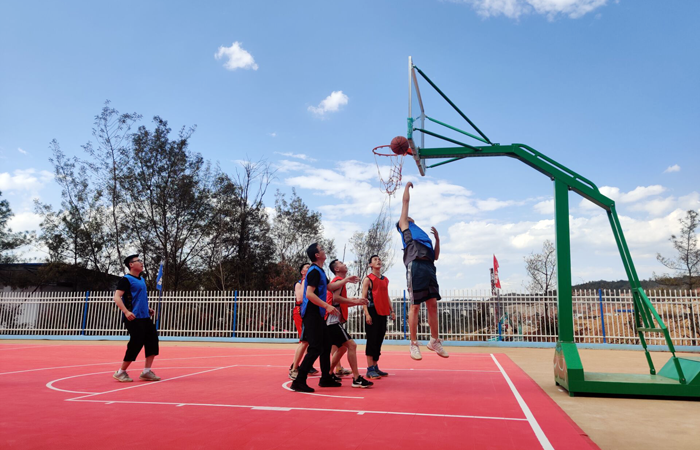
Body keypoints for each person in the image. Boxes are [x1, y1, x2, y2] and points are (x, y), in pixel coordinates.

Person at [290, 243, 358, 393]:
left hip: (318, 314)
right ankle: (299, 381)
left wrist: (346, 280)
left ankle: (325, 378)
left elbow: (330, 287)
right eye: (321, 249)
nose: (324, 250)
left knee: (326, 345)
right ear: (317, 255)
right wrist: (327, 306)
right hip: (311, 314)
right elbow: (309, 294)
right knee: (315, 348)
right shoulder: (314, 271)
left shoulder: (320, 271)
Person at [397, 182, 449, 360]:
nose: (409, 217)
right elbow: (405, 203)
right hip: (416, 265)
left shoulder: (422, 234)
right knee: (415, 305)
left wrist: (438, 240)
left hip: (429, 266)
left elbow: (435, 256)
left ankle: (434, 340)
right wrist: (406, 188)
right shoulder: (404, 225)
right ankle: (413, 343)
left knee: (432, 304)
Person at [112, 254, 161, 382]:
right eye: (138, 261)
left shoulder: (141, 279)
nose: (141, 263)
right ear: (131, 264)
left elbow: (139, 298)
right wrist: (126, 312)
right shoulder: (126, 279)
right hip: (133, 318)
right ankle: (121, 372)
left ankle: (146, 372)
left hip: (145, 317)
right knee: (136, 343)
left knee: (152, 341)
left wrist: (147, 308)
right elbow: (117, 297)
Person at [327, 259, 373, 388]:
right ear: (336, 269)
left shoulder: (340, 282)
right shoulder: (338, 281)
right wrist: (356, 301)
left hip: (332, 321)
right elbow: (336, 299)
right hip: (331, 321)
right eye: (341, 263)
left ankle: (329, 373)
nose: (345, 264)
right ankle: (356, 378)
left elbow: (339, 302)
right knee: (352, 345)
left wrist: (356, 301)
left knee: (342, 348)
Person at [362, 254, 395, 378]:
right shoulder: (368, 279)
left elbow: (386, 296)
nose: (378, 261)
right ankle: (369, 368)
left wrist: (392, 310)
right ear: (370, 264)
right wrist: (367, 314)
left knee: (379, 339)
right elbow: (364, 298)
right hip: (372, 311)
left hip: (383, 312)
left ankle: (375, 366)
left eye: (379, 259)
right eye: (375, 260)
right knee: (371, 340)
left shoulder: (385, 279)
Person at [288, 263, 319, 380]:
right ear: (302, 272)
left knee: (309, 341)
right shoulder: (299, 283)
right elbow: (300, 298)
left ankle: (306, 364)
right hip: (300, 311)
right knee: (304, 340)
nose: (309, 268)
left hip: (309, 312)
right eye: (306, 267)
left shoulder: (312, 282)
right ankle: (294, 367)